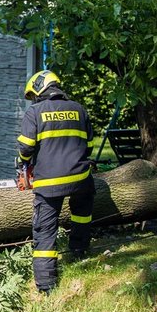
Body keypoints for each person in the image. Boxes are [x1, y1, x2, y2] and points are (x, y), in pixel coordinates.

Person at [16, 70, 95, 294]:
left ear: (40, 88)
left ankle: (46, 286)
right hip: (81, 179)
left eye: (33, 95)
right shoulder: (79, 109)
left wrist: (24, 165)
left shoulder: (35, 112)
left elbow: (25, 147)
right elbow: (88, 144)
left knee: (45, 232)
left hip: (49, 183)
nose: (33, 99)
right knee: (81, 216)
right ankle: (80, 253)